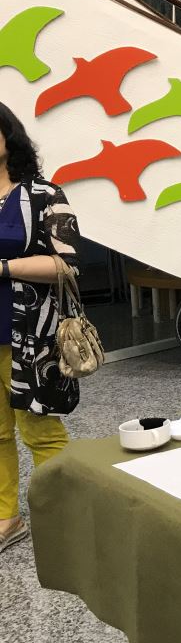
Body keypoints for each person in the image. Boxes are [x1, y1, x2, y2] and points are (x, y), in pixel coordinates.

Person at [0, 102, 83, 552]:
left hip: (30, 334)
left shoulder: (43, 194)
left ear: (8, 136)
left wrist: (3, 268)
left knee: (39, 429)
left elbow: (67, 263)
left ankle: (68, 515)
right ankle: (7, 518)